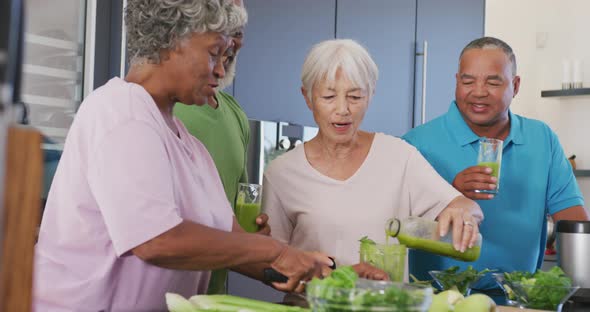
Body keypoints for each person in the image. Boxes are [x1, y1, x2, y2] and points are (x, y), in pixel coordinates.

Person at [33, 1, 333, 310]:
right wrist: (272, 251)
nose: (220, 70)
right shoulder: (121, 112)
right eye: (215, 52)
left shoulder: (190, 147)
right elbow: (156, 240)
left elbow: (234, 243)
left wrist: (336, 277)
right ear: (173, 38)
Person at [262, 39, 484, 277]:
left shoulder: (400, 156)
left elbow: (465, 206)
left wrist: (462, 213)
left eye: (355, 97)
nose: (343, 109)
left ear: (370, 95)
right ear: (307, 97)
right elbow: (271, 263)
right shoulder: (281, 173)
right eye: (328, 97)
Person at [402, 37, 589, 292]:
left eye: (493, 82)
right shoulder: (415, 143)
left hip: (519, 301)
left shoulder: (541, 138)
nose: (479, 91)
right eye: (468, 81)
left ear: (515, 85)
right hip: (438, 302)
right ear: (456, 82)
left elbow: (573, 220)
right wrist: (446, 196)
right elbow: (396, 225)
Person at [173, 0, 254, 295]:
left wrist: (254, 238)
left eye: (238, 31)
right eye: (222, 29)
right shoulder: (163, 112)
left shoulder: (235, 114)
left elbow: (232, 217)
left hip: (213, 296)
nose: (231, 43)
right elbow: (157, 236)